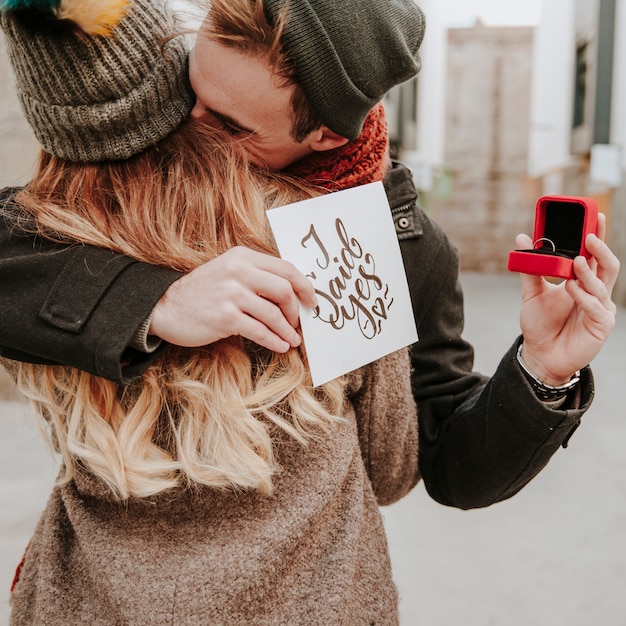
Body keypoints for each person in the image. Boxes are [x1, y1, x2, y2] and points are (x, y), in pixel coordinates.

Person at [0, 0, 620, 511]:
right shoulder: (151, 147)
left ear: (325, 134)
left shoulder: (404, 241)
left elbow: (448, 465)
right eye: (193, 84)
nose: (186, 122)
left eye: (228, 124)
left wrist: (542, 369)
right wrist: (153, 298)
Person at [1, 1, 421, 623]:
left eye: (225, 117)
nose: (197, 118)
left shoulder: (46, 240)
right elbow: (392, 469)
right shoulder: (338, 239)